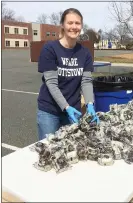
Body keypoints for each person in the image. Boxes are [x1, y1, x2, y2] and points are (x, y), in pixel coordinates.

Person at [37, 8, 99, 140]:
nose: (74, 27)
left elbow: (86, 81)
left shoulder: (85, 53)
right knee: (49, 151)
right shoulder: (50, 49)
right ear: (63, 25)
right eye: (70, 23)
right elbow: (51, 84)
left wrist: (89, 104)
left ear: (81, 26)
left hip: (73, 111)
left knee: (71, 150)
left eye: (77, 23)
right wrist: (66, 107)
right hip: (50, 111)